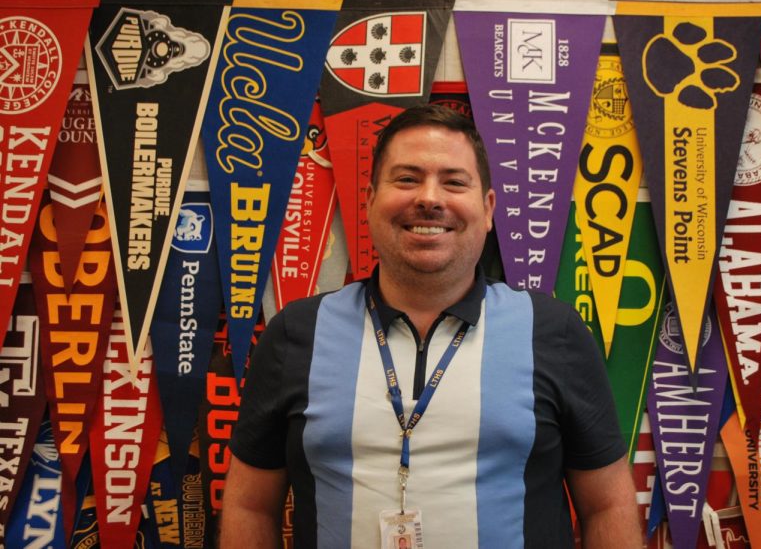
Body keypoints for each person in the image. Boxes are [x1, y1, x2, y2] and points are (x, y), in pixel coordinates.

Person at [220, 104, 642, 548]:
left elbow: (607, 504)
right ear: (369, 201)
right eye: (406, 178)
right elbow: (251, 504)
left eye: (454, 182)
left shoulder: (552, 331)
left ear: (488, 207)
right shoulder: (296, 333)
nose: (429, 198)